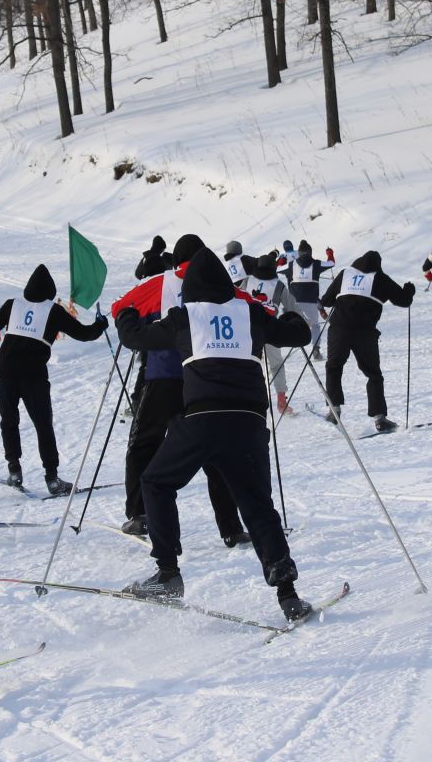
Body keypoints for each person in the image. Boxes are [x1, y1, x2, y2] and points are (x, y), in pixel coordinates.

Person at [116, 248, 316, 622]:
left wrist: (126, 313)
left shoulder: (184, 317)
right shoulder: (250, 312)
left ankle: (168, 573)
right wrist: (286, 313)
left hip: (203, 420)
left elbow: (136, 338)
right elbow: (299, 333)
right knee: (258, 506)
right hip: (248, 423)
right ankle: (288, 595)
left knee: (156, 482)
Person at [112, 234, 248, 546]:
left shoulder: (162, 282)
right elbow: (259, 310)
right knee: (216, 451)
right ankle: (230, 526)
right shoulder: (223, 283)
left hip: (165, 376)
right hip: (206, 378)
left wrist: (131, 318)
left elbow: (121, 305)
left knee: (144, 444)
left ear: (176, 260)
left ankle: (139, 514)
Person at [0, 264, 109, 493]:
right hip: (34, 375)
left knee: (9, 421)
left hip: (6, 370)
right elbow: (84, 334)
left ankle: (14, 470)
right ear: (50, 291)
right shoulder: (54, 310)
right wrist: (100, 325)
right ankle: (52, 478)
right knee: (43, 425)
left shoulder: (13, 305)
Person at [319, 251, 416, 434]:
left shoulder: (345, 273)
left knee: (333, 366)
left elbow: (326, 300)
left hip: (339, 329)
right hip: (364, 332)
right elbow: (404, 300)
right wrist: (409, 289)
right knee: (373, 374)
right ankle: (380, 418)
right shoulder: (380, 278)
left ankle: (334, 410)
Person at [246, 253, 301, 413]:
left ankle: (249, 398)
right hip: (269, 329)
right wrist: (302, 322)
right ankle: (281, 402)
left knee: (249, 363)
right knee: (276, 364)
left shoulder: (248, 281)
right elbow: (292, 307)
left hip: (246, 329)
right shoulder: (278, 285)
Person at [283, 241, 332, 359]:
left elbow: (277, 268)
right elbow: (332, 263)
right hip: (311, 301)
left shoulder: (291, 264)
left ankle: (291, 341)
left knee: (295, 323)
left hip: (294, 303)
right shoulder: (316, 263)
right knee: (315, 326)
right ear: (310, 252)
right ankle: (316, 349)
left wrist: (280, 262)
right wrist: (330, 253)